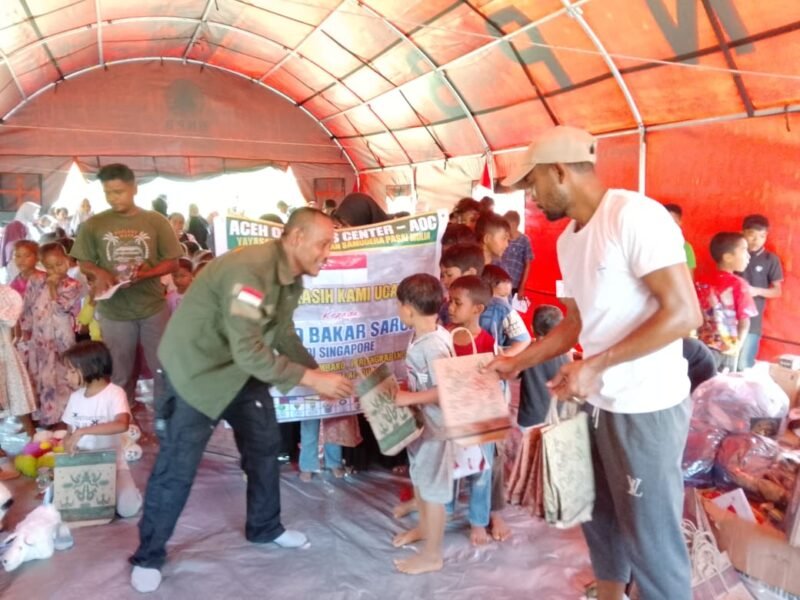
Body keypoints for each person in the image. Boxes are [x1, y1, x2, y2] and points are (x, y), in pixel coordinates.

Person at [488, 126, 701, 600]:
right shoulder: (568, 241)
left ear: (560, 172)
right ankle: (609, 593)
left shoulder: (634, 216)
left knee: (651, 537)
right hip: (597, 402)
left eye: (533, 184)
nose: (531, 198)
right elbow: (577, 322)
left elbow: (685, 313)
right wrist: (518, 362)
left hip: (646, 408)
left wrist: (595, 365)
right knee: (599, 516)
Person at [128, 208, 353, 593]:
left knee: (264, 446)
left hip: (241, 371)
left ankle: (265, 528)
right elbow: (249, 350)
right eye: (324, 243)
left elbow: (281, 333)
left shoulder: (291, 279)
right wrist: (313, 379)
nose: (328, 253)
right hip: (196, 373)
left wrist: (319, 374)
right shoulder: (250, 272)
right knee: (177, 466)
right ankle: (148, 556)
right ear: (297, 238)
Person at [70, 164, 183, 405]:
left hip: (152, 307)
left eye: (118, 192)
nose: (113, 198)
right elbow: (84, 262)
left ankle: (165, 416)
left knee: (163, 367)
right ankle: (123, 414)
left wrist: (146, 273)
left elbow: (173, 262)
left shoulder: (155, 221)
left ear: (134, 189)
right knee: (120, 371)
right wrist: (99, 271)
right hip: (114, 310)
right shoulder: (94, 224)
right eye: (107, 193)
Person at [392, 273, 455, 575]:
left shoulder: (434, 346)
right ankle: (424, 528)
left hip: (438, 429)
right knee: (419, 477)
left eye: (398, 305)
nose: (398, 310)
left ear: (408, 309)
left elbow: (446, 389)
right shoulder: (422, 335)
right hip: (422, 425)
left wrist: (408, 398)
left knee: (433, 492)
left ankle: (432, 555)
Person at [60, 341, 142, 518]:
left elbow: (122, 424)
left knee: (127, 509)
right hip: (83, 466)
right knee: (66, 506)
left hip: (113, 466)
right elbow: (69, 433)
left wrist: (83, 431)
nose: (67, 376)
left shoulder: (114, 393)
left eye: (72, 371)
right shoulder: (75, 397)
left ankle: (128, 493)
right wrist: (67, 445)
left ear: (91, 368)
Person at [446, 275, 496, 546]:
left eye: (457, 302)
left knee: (481, 471)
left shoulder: (487, 342)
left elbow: (492, 382)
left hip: (480, 416)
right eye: (449, 301)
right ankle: (445, 510)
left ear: (477, 309)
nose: (450, 307)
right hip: (449, 414)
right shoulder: (444, 336)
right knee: (447, 463)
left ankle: (478, 520)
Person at [20, 242, 82, 426]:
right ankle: (47, 417)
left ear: (67, 260)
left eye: (59, 264)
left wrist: (53, 287)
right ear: (42, 265)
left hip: (62, 339)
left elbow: (61, 309)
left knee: (63, 376)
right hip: (40, 339)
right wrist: (25, 330)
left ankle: (66, 417)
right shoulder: (36, 280)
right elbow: (27, 307)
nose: (56, 270)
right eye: (50, 266)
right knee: (43, 377)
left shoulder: (73, 284)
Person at [695, 232, 758, 372]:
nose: (748, 256)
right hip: (726, 348)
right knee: (721, 383)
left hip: (700, 345)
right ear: (728, 257)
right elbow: (744, 322)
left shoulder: (700, 281)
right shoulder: (739, 284)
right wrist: (737, 346)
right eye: (744, 250)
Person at [738, 214, 783, 369]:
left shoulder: (770, 259)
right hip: (728, 320)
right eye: (752, 235)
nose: (756, 240)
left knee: (744, 365)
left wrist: (755, 291)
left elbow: (777, 291)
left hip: (753, 322)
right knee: (724, 363)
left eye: (762, 236)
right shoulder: (734, 254)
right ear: (742, 233)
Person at [0, 285, 37, 465]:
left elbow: (10, 319)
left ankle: (33, 437)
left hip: (3, 353)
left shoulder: (7, 295)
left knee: (17, 398)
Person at [518, 305, 571, 427]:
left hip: (531, 418)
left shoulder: (526, 353)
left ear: (532, 328)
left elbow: (512, 374)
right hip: (557, 416)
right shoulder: (565, 353)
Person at [1, 202, 40, 283]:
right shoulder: (16, 225)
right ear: (28, 211)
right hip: (19, 262)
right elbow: (12, 245)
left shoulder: (29, 226)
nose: (37, 216)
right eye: (36, 213)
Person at [498, 210, 534, 297]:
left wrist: (522, 287)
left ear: (514, 224)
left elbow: (527, 265)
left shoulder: (524, 240)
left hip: (514, 286)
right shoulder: (503, 238)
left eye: (507, 225)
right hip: (499, 283)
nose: (505, 228)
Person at [663, 204, 696, 278]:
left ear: (680, 222)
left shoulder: (686, 248)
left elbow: (689, 278)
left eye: (674, 222)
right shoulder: (653, 247)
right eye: (666, 222)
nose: (670, 226)